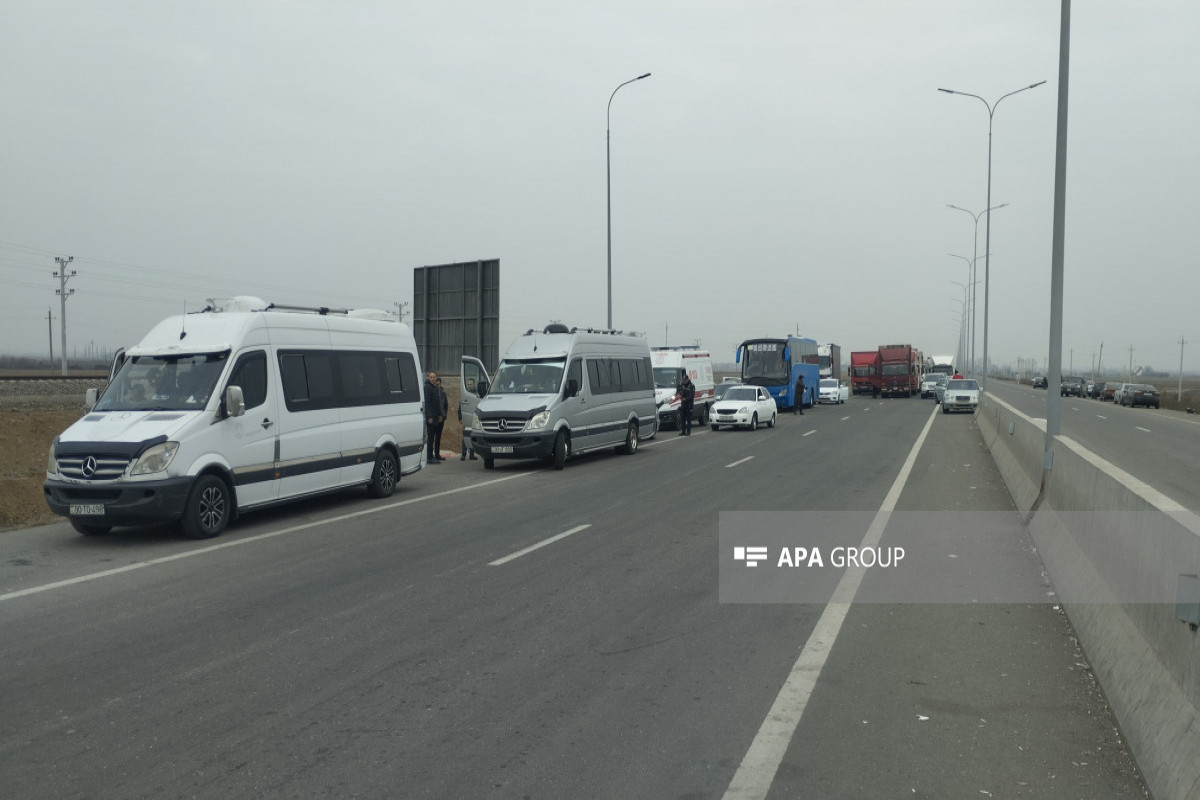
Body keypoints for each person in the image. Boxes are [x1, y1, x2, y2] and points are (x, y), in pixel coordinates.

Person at [424, 371, 444, 463]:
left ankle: (435, 455)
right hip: (431, 418)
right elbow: (427, 404)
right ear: (428, 378)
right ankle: (429, 457)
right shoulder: (427, 387)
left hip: (436, 417)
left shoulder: (435, 387)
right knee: (431, 438)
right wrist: (429, 417)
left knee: (436, 437)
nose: (432, 378)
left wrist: (440, 414)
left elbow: (437, 404)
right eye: (431, 377)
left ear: (436, 378)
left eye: (434, 377)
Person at [434, 376, 448, 460]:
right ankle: (431, 455)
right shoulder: (433, 392)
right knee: (432, 437)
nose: (437, 385)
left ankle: (437, 454)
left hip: (441, 419)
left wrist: (444, 416)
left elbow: (445, 405)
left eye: (438, 384)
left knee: (438, 438)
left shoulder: (443, 393)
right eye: (436, 384)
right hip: (434, 419)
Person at [678, 371, 695, 435]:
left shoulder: (692, 386)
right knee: (683, 419)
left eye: (685, 380)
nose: (684, 381)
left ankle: (688, 432)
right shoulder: (682, 385)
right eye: (683, 380)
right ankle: (683, 431)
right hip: (683, 405)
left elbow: (692, 395)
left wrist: (686, 399)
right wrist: (680, 394)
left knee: (688, 419)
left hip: (689, 405)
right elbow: (679, 390)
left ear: (688, 379)